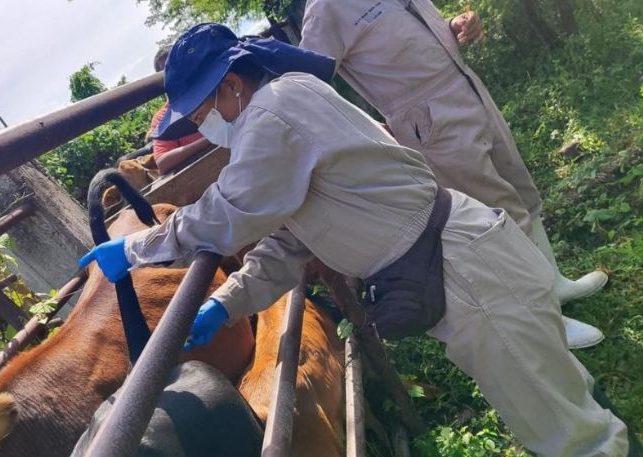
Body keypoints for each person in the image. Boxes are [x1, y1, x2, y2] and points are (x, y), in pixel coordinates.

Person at [79, 24, 629, 456]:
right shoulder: (289, 97)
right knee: (552, 384)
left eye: (202, 113)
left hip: (460, 270)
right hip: (456, 256)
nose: (203, 128)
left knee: (559, 423)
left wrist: (135, 248)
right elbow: (292, 243)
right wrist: (226, 303)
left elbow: (226, 214)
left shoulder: (271, 118)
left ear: (231, 85)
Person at [298, 0, 607, 349]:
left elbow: (408, 38)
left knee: (518, 187)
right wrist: (371, 128)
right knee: (497, 215)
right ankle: (546, 322)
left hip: (464, 86)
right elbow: (309, 87)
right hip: (427, 117)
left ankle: (555, 284)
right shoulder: (325, 9)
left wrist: (457, 25)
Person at [150, 46, 214, 174]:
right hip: (206, 172)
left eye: (176, 69)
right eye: (167, 73)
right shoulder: (162, 117)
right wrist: (209, 139)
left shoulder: (209, 87)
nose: (174, 78)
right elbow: (163, 162)